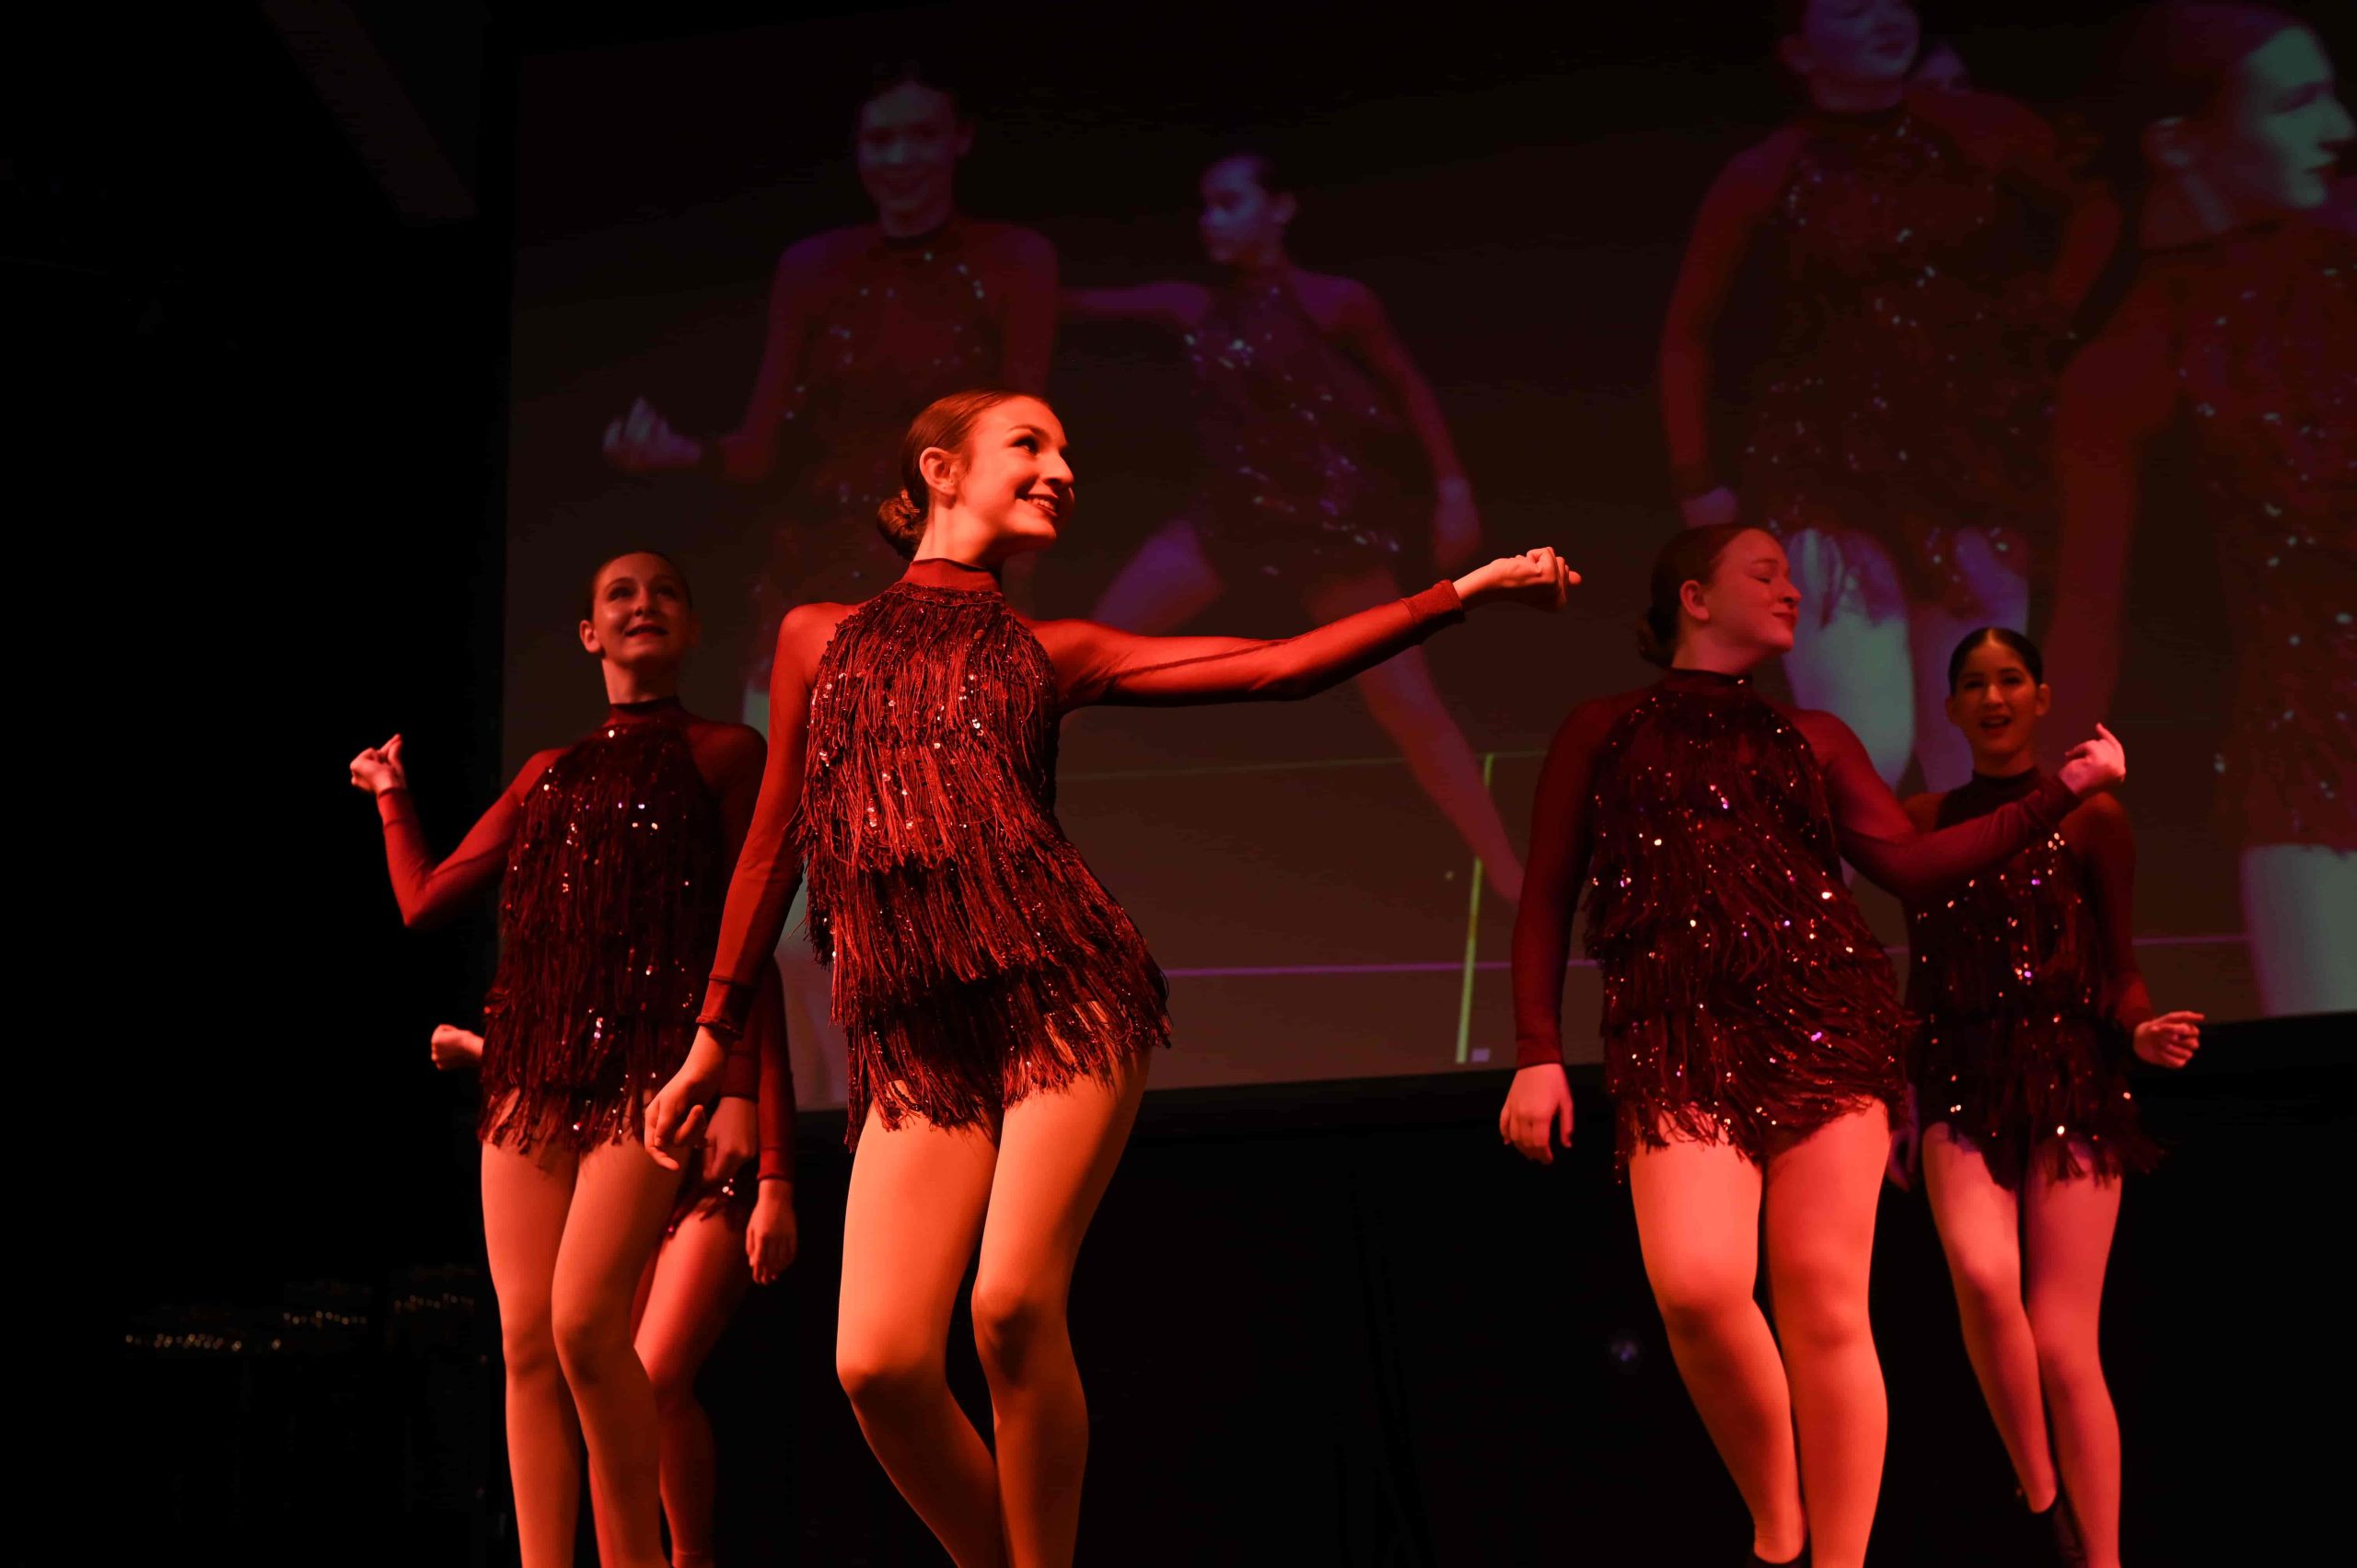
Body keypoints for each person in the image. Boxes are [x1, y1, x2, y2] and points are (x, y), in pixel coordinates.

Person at [645, 388, 1574, 1567]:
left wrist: (1462, 591)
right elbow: (774, 841)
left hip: (1060, 993)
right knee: (875, 1362)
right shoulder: (814, 636)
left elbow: (1277, 666)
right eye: (1029, 445)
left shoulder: (1049, 650)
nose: (1061, 468)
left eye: (1070, 450)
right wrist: (710, 1036)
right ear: (939, 468)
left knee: (1010, 1308)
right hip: (910, 1026)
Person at [1499, 525, 2125, 1568]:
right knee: (1698, 1287)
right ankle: (1777, 1514)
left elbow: (1917, 868)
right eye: (1765, 572)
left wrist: (2060, 789)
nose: (1792, 588)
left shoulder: (1817, 735)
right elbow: (1549, 895)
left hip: (1826, 1025)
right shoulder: (1601, 728)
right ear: (1694, 596)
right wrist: (1533, 1048)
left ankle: (1834, 1557)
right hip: (1675, 1036)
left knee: (1828, 1308)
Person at [351, 551, 789, 1568]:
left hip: (649, 1070)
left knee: (590, 1322)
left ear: (689, 629)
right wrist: (391, 793)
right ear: (589, 634)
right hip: (531, 1072)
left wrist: (738, 1095)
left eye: (665, 593)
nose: (643, 605)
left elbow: (747, 936)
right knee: (524, 1340)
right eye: (619, 596)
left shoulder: (727, 750)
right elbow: (424, 899)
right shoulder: (545, 772)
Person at [1659, 0, 2116, 790]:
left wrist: (2041, 322)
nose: (1884, 15)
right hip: (1826, 475)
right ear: (1798, 49)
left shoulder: (1976, 128)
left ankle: (1969, 908)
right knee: (1867, 737)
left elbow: (2096, 207)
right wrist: (1699, 483)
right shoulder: (1769, 170)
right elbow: (1687, 334)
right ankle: (1815, 910)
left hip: (1970, 464)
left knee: (1984, 741)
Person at [1062, 152, 1524, 896]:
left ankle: (1507, 870)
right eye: (1205, 205)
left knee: (1410, 708)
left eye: (1231, 202)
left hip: (1324, 532)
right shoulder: (1191, 304)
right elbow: (1072, 305)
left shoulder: (1339, 301)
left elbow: (1410, 391)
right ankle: (984, 809)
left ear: (1280, 207)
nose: (1213, 219)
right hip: (1224, 521)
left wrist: (1453, 488)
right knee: (1083, 660)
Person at [2046, 1, 2353, 1014]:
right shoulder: (2132, 356)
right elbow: (2089, 608)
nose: (2338, 126)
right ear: (2181, 144)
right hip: (2303, 768)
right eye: (2297, 103)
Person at [1888, 626, 2199, 1568]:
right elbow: (1920, 975)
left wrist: (2140, 1030)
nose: (1992, 697)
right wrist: (1898, 1098)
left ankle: (2096, 1555)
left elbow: (2121, 968)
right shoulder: (1923, 817)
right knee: (1983, 1277)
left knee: (2066, 1345)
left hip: (2071, 1075)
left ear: (2039, 695)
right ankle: (2039, 1489)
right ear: (1949, 708)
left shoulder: (2094, 817)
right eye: (1973, 684)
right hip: (1956, 1075)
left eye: (2009, 680)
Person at [425, 994, 797, 1566]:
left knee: (653, 1376)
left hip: (708, 1177)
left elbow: (756, 1000)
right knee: (597, 1371)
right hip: (632, 1168)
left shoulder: (702, 933)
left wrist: (775, 1179)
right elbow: (584, 1044)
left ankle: (689, 1557)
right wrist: (485, 1050)